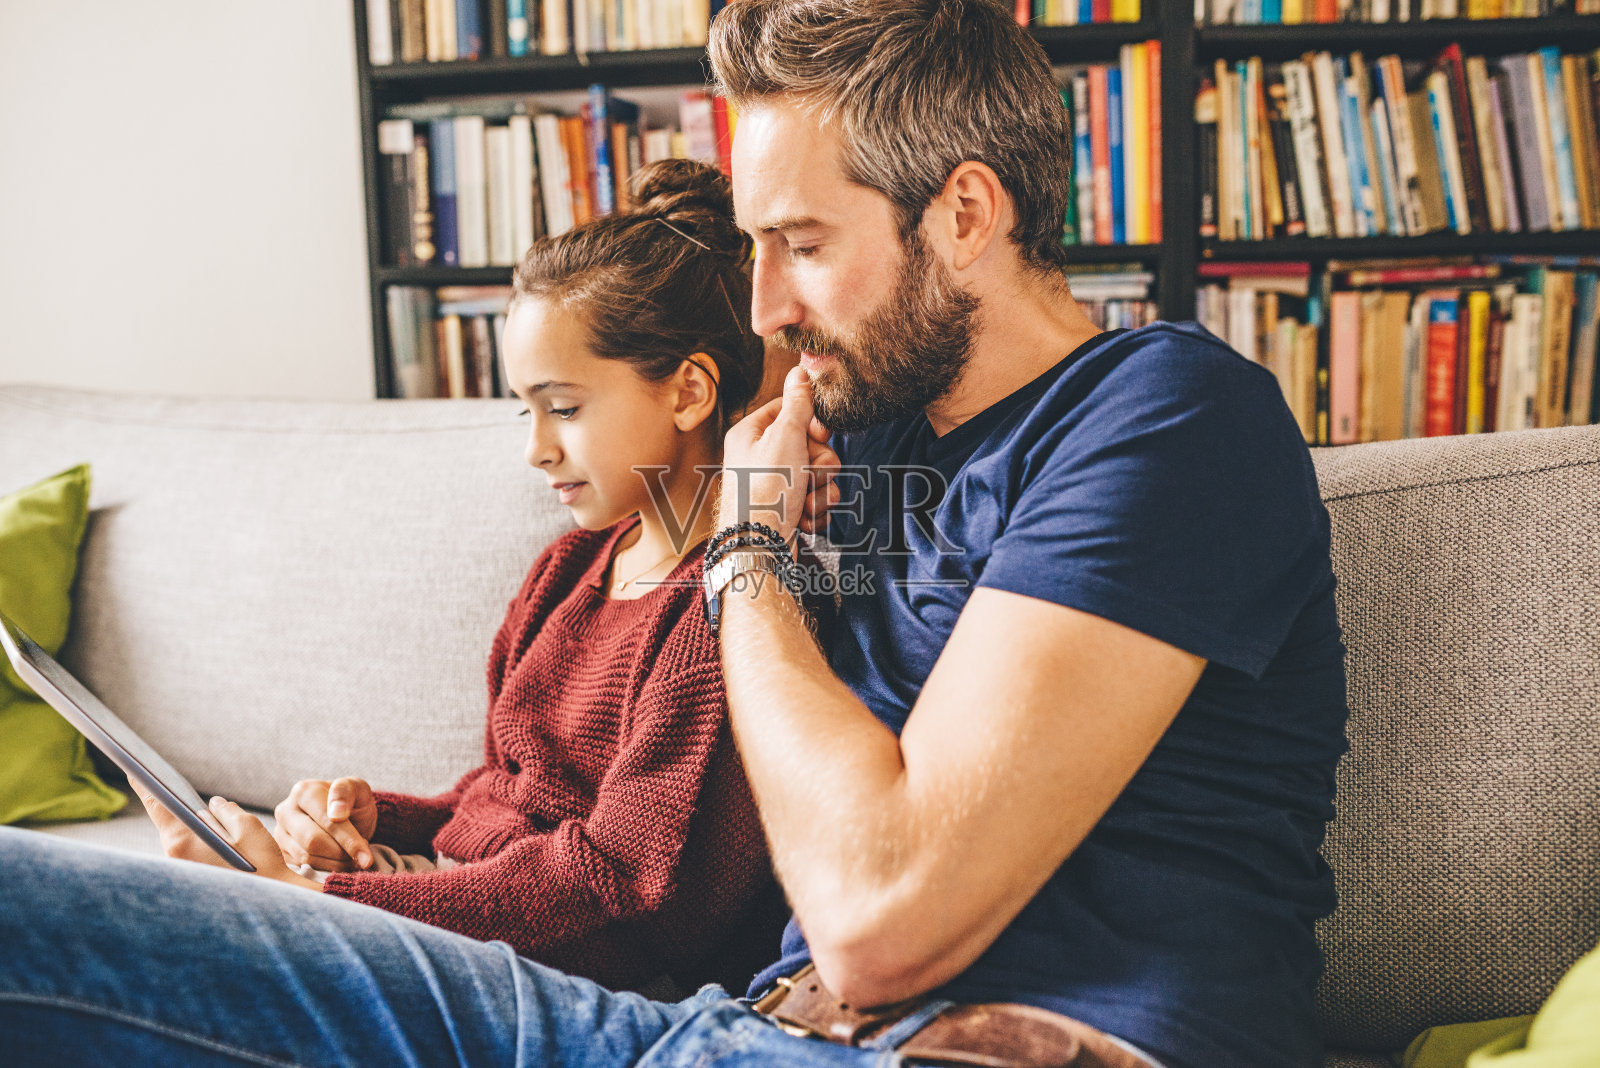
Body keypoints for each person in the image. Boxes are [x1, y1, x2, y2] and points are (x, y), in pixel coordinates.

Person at [0, 3, 1347, 1067]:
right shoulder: (854, 439)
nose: (762, 310)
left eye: (802, 244)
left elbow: (879, 921)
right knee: (45, 915)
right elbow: (616, 788)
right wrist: (350, 860)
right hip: (716, 1030)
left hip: (1017, 1038)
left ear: (965, 214)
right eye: (755, 248)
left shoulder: (1163, 420)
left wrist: (747, 556)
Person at [132, 158, 780, 994]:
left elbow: (619, 886)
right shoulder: (567, 571)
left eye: (564, 407)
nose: (535, 448)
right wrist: (380, 823)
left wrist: (320, 900)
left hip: (567, 983)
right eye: (525, 409)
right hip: (469, 932)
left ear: (689, 391)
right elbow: (502, 794)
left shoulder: (724, 607)